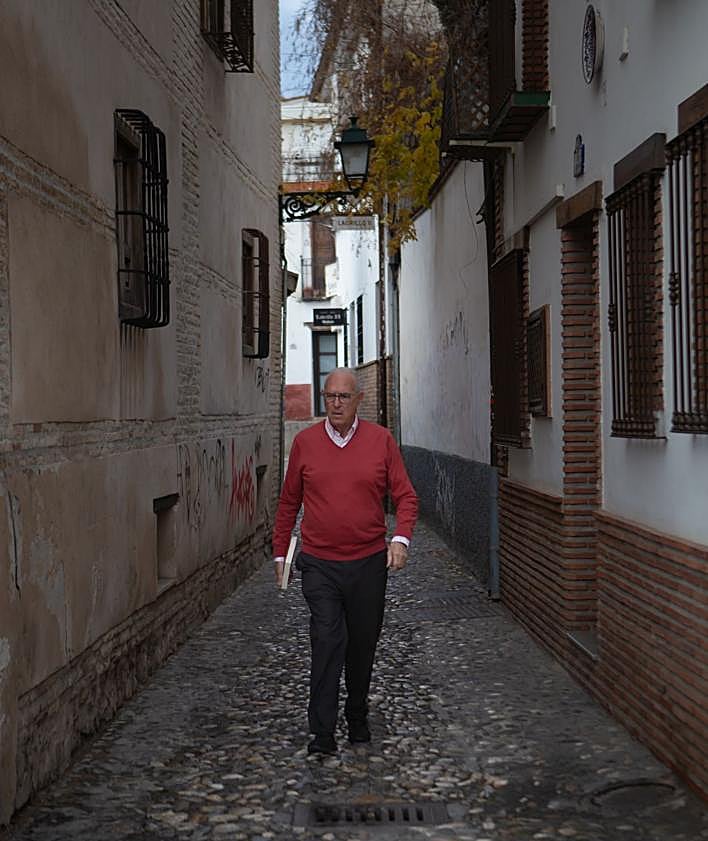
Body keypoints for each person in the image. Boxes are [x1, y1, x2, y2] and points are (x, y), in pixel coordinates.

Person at [272, 367, 418, 755]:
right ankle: (321, 732)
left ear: (358, 400)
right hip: (319, 563)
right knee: (327, 640)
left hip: (368, 563)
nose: (335, 404)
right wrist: (280, 551)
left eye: (343, 397)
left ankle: (356, 715)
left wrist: (400, 539)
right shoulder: (305, 443)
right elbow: (289, 502)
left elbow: (406, 497)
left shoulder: (381, 441)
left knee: (362, 645)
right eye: (329, 396)